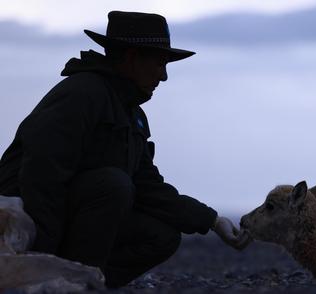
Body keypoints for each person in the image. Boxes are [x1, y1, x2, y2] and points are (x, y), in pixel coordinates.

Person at [0, 11, 251, 287]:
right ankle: (65, 280)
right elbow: (41, 177)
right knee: (113, 184)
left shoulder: (131, 114)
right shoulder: (81, 94)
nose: (164, 76)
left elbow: (147, 186)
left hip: (69, 218)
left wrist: (212, 221)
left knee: (162, 235)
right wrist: (40, 258)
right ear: (131, 57)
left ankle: (88, 281)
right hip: (22, 225)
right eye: (159, 63)